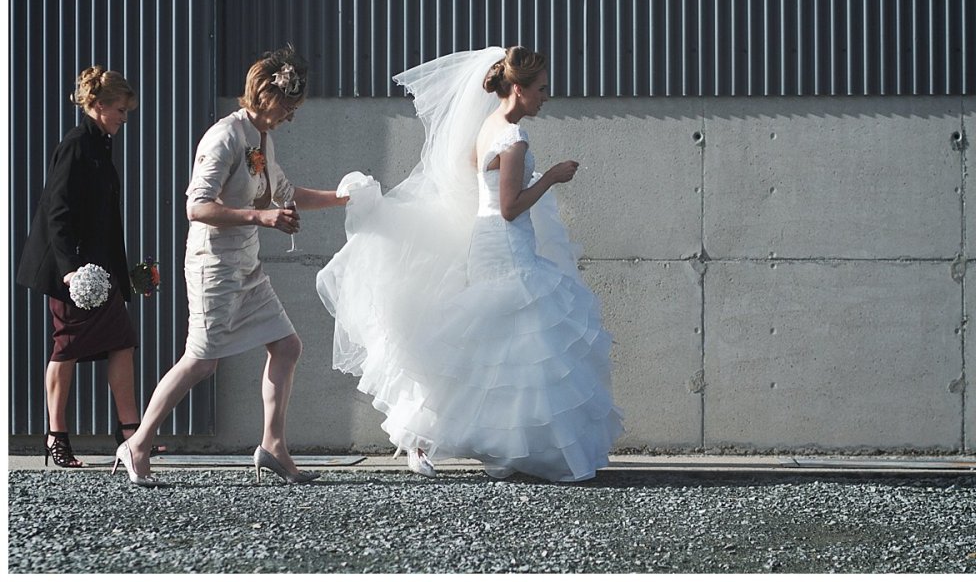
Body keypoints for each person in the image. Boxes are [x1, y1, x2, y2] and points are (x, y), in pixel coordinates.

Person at [317, 46, 624, 481]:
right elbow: (511, 207)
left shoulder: (489, 127)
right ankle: (499, 444)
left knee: (494, 345)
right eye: (540, 89)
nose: (545, 97)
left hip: (487, 243)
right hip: (507, 245)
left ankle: (483, 444)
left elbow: (473, 170)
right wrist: (551, 177)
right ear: (518, 88)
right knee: (525, 340)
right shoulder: (514, 138)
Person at [112, 45, 349, 487]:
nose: (291, 114)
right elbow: (196, 207)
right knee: (202, 362)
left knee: (287, 346)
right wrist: (260, 217)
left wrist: (342, 198)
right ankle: (138, 443)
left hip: (247, 263)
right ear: (265, 93)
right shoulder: (224, 136)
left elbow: (284, 191)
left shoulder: (262, 138)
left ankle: (273, 446)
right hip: (213, 265)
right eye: (288, 103)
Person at [16, 66, 162, 467]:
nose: (124, 118)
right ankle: (56, 437)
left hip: (100, 272)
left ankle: (131, 434)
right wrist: (70, 270)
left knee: (122, 341)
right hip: (75, 274)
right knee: (67, 347)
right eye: (120, 109)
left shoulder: (101, 144)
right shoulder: (78, 144)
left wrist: (125, 274)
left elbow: (103, 218)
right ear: (97, 106)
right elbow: (56, 211)